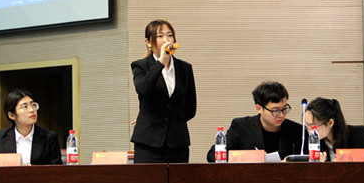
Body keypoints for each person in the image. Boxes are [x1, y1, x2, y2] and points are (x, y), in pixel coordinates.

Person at [130, 19, 197, 163]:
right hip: (148, 143)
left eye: (170, 35)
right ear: (148, 42)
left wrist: (169, 121)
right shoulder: (140, 66)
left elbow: (190, 108)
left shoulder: (185, 68)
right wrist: (161, 62)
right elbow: (143, 88)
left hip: (177, 143)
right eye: (160, 36)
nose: (166, 40)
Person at [206, 81, 307, 162]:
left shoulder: (298, 131)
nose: (281, 115)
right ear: (259, 108)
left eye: (284, 109)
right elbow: (212, 155)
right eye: (275, 110)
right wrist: (252, 156)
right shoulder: (241, 127)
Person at [0, 89, 63, 165]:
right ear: (12, 115)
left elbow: (57, 170)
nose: (32, 110)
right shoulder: (1, 136)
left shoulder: (49, 137)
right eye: (25, 107)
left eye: (33, 105)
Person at [305, 97, 364, 161]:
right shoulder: (314, 142)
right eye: (308, 126)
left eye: (314, 126)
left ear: (330, 123)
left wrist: (350, 157)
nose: (311, 131)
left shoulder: (359, 134)